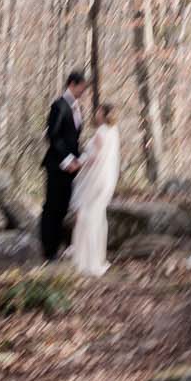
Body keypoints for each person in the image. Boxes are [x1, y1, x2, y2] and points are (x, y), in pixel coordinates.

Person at [68, 102, 121, 277]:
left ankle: (89, 262)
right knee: (98, 216)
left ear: (104, 114)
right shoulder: (114, 131)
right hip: (106, 180)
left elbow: (94, 158)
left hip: (95, 180)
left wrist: (78, 163)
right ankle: (97, 259)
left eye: (98, 111)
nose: (96, 113)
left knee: (87, 216)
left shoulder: (100, 132)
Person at [38, 71, 87, 261]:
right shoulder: (59, 105)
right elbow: (52, 135)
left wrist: (79, 159)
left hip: (72, 167)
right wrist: (66, 160)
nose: (84, 91)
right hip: (57, 165)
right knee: (52, 206)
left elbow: (73, 139)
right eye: (82, 87)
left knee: (63, 206)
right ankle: (48, 250)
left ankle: (56, 246)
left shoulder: (77, 108)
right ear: (72, 84)